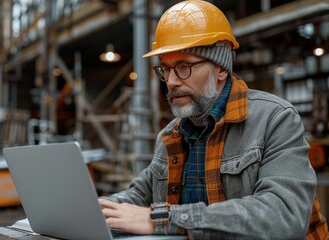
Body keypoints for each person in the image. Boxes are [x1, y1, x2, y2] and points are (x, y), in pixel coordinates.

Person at [99, 0, 328, 239]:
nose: (172, 81)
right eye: (165, 70)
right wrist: (92, 210)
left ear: (220, 68)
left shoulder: (275, 120)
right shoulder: (171, 135)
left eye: (184, 67)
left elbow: (284, 215)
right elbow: (137, 198)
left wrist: (164, 219)